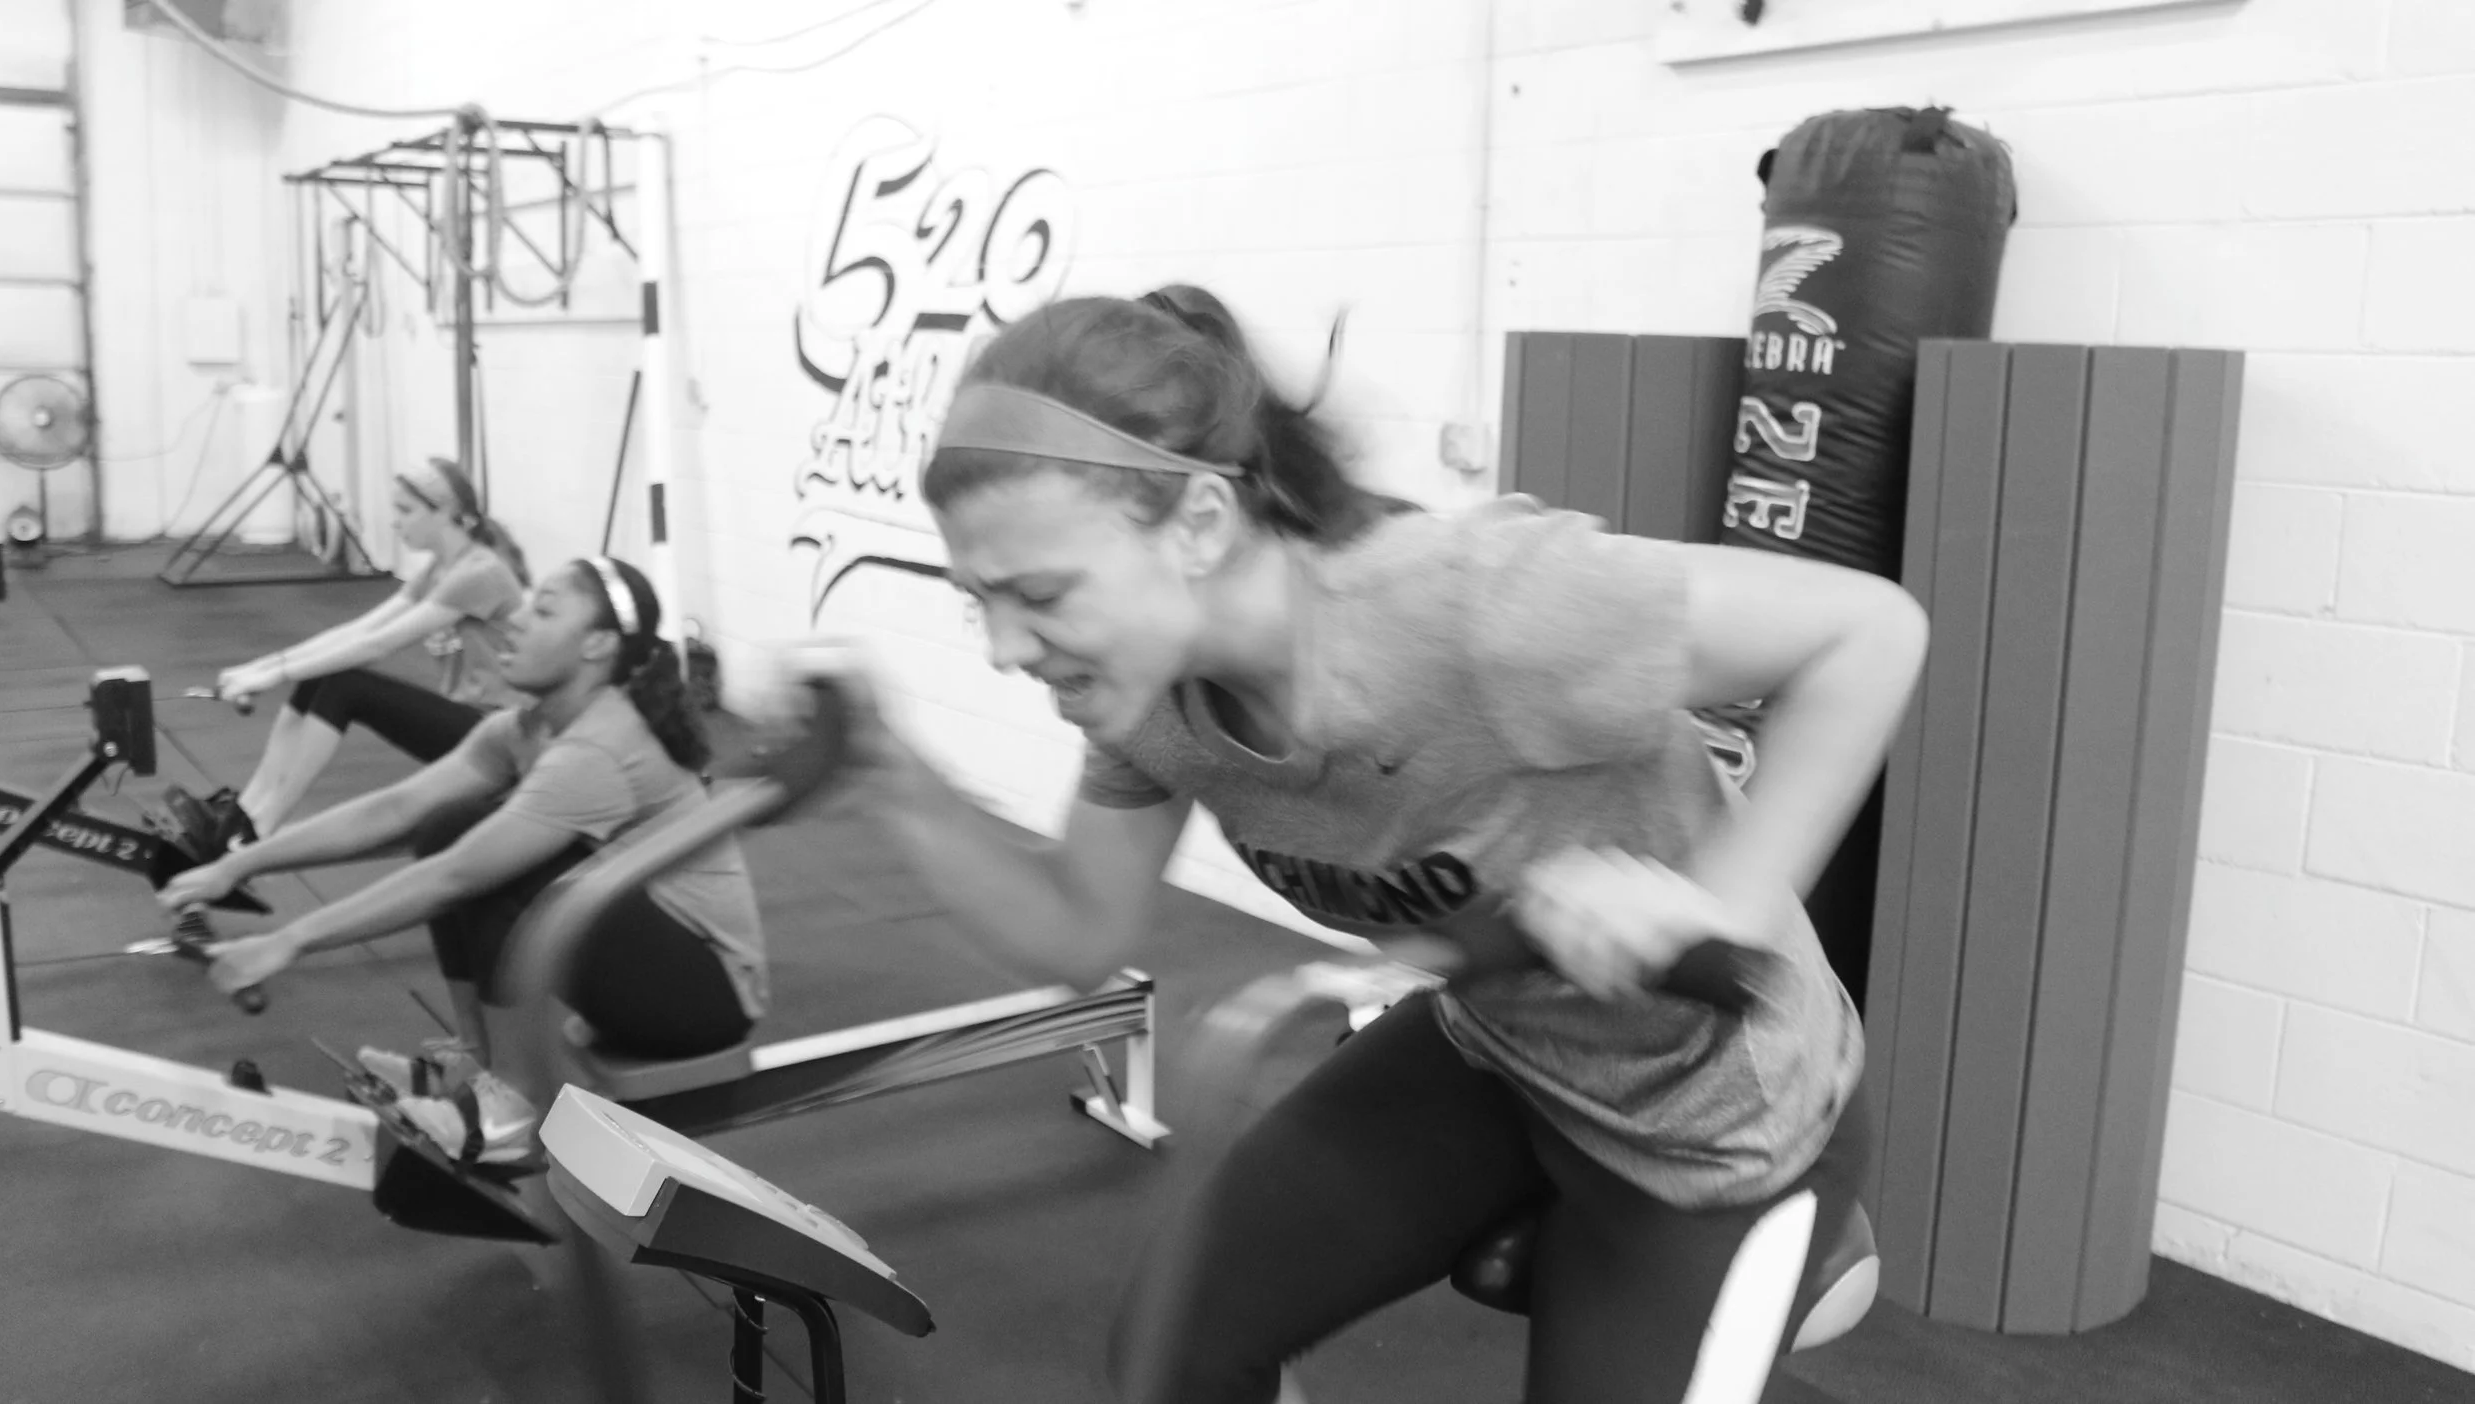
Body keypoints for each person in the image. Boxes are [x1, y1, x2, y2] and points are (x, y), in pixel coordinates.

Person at [811, 286, 1928, 1404]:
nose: (1006, 647)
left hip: (1710, 1121)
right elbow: (1076, 931)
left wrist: (1719, 906)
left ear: (1200, 524)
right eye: (979, 603)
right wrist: (891, 774)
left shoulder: (1466, 610)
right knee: (1174, 1361)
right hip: (1502, 1053)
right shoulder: (1149, 702)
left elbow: (1865, 631)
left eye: (1039, 595)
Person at [159, 557, 763, 1163]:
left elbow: (455, 878)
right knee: (448, 824)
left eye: (545, 611)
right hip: (643, 962)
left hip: (703, 997)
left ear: (598, 645)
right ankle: (483, 1067)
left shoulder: (599, 747)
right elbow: (396, 809)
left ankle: (513, 1109)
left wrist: (289, 940)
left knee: (496, 864)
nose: (518, 622)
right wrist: (238, 865)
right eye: (527, 604)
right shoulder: (525, 728)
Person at [170, 456, 531, 853]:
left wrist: (272, 677)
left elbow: (379, 645)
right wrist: (262, 666)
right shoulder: (440, 569)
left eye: (405, 511)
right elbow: (359, 629)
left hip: (501, 736)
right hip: (472, 724)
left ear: (445, 514)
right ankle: (245, 813)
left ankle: (258, 834)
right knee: (323, 675)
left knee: (346, 683)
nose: (395, 521)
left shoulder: (478, 573)